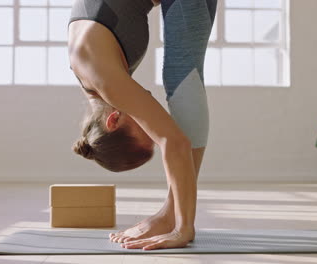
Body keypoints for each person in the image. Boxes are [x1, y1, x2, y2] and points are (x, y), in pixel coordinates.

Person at [67, 0, 217, 250]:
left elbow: (175, 141)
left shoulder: (104, 78)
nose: (154, 125)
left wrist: (183, 228)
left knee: (183, 78)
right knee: (181, 76)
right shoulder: (91, 74)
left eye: (147, 131)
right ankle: (171, 214)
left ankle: (173, 217)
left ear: (113, 120)